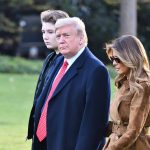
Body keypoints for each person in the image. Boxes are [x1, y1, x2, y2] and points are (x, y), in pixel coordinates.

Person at [35, 16, 110, 150]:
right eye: (58, 36)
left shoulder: (96, 70)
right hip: (45, 142)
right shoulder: (59, 61)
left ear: (81, 38)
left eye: (66, 35)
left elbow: (94, 124)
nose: (61, 41)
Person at [26, 10, 69, 149]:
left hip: (56, 133)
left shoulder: (69, 63)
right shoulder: (50, 59)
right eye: (43, 32)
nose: (45, 36)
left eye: (50, 32)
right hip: (40, 130)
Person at [103, 35, 150, 150]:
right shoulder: (124, 83)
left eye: (117, 59)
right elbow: (118, 125)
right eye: (112, 59)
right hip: (116, 143)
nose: (114, 63)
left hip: (133, 146)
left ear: (130, 57)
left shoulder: (143, 86)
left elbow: (134, 130)